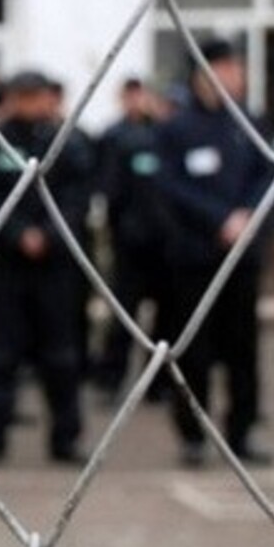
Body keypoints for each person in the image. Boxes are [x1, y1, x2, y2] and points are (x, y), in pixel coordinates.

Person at [157, 40, 274, 468]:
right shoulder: (177, 128)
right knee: (194, 351)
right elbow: (170, 188)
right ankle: (192, 434)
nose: (233, 75)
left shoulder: (251, 123)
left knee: (243, 349)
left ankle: (242, 432)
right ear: (201, 73)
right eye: (223, 67)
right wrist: (218, 220)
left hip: (242, 257)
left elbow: (270, 175)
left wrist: (248, 217)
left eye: (236, 67)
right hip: (195, 258)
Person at [0, 71, 92, 466]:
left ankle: (65, 438)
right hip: (5, 265)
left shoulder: (66, 143)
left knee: (61, 356)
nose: (30, 105)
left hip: (55, 265)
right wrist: (19, 233)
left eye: (36, 96)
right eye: (21, 97)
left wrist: (48, 234)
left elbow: (78, 197)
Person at [93, 78, 173, 403]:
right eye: (130, 96)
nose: (136, 101)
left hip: (164, 240)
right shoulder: (113, 137)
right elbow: (108, 188)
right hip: (128, 239)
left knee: (166, 315)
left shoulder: (163, 134)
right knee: (123, 314)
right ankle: (112, 381)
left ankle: (158, 384)